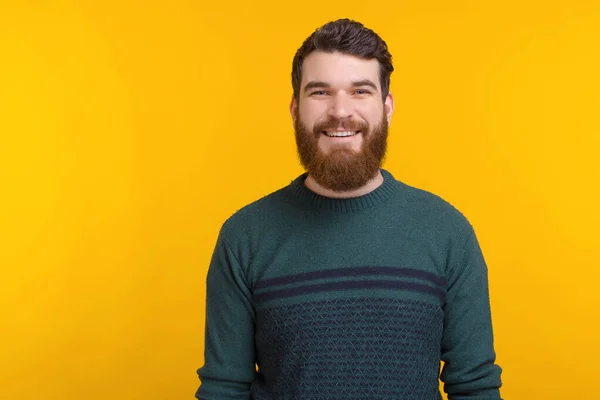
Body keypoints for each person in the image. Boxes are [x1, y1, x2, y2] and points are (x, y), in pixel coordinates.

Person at [196, 18, 503, 400]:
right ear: (295, 108)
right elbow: (224, 390)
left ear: (386, 106)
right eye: (320, 92)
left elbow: (475, 387)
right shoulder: (244, 237)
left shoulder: (447, 232)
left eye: (360, 91)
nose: (340, 111)